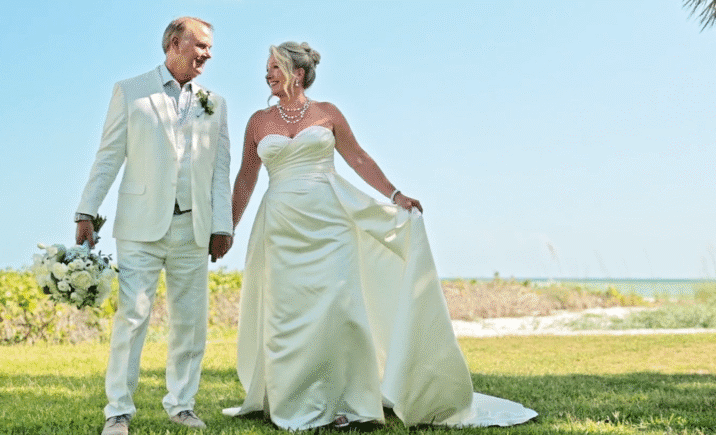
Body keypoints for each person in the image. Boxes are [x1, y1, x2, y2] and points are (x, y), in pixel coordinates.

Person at [222, 41, 538, 431]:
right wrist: (229, 228)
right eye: (267, 68)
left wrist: (394, 194)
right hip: (281, 226)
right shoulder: (257, 121)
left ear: (296, 74)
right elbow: (246, 180)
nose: (267, 73)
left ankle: (346, 402)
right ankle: (292, 401)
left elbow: (357, 158)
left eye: (273, 67)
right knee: (286, 315)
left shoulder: (328, 114)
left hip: (330, 223)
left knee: (340, 309)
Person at [74, 16, 233, 435]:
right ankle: (118, 412)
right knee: (133, 317)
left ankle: (182, 404)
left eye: (210, 48)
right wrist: (86, 211)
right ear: (175, 43)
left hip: (193, 229)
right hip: (140, 225)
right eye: (201, 45)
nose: (208, 54)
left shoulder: (215, 102)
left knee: (190, 322)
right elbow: (108, 156)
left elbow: (220, 171)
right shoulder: (131, 91)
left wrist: (223, 225)